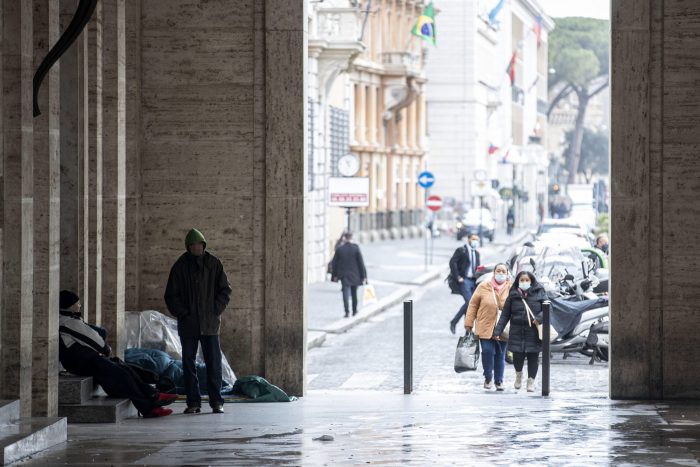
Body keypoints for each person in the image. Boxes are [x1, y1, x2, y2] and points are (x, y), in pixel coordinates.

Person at [58, 290, 176, 418]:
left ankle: (153, 396)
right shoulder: (69, 322)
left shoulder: (68, 319)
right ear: (70, 306)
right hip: (83, 362)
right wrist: (106, 349)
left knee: (125, 368)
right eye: (78, 303)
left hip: (85, 360)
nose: (80, 305)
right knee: (121, 373)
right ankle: (149, 406)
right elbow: (93, 339)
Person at [165, 228, 232, 414]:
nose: (196, 248)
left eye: (199, 245)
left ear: (203, 245)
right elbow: (171, 295)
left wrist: (214, 310)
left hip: (210, 324)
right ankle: (193, 403)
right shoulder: (180, 266)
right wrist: (183, 313)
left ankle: (216, 402)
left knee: (214, 364)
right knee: (188, 363)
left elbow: (225, 291)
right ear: (188, 247)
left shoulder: (214, 264)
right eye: (193, 245)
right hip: (189, 324)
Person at [493, 271, 545, 392]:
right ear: (518, 281)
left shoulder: (540, 292)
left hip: (533, 332)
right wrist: (497, 331)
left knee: (533, 357)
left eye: (527, 280)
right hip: (517, 331)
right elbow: (505, 314)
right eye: (522, 280)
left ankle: (531, 381)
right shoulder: (513, 294)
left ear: (531, 281)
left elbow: (549, 308)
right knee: (517, 357)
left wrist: (539, 319)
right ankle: (519, 375)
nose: (524, 282)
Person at [464, 263, 512, 390]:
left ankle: (499, 381)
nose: (500, 274)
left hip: (503, 327)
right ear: (494, 272)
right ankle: (488, 377)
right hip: (485, 325)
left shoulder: (511, 287)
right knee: (487, 351)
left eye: (503, 271)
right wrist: (469, 323)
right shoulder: (483, 286)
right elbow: (473, 304)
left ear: (507, 274)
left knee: (500, 355)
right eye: (498, 271)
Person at [448, 233, 481, 334]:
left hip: (473, 281)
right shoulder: (461, 250)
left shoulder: (477, 253)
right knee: (470, 303)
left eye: (477, 239)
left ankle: (467, 329)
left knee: (471, 304)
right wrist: (458, 277)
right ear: (469, 239)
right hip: (464, 280)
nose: (475, 241)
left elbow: (477, 268)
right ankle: (455, 322)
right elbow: (452, 262)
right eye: (473, 239)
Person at [330, 231, 367, 318]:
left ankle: (347, 312)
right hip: (355, 274)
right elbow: (361, 263)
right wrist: (364, 276)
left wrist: (334, 276)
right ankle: (354, 311)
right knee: (354, 293)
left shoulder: (340, 249)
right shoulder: (356, 248)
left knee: (345, 293)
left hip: (344, 274)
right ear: (351, 237)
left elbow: (334, 263)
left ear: (344, 238)